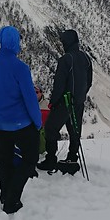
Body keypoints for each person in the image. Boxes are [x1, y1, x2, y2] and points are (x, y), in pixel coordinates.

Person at [0, 26, 43, 214]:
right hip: (23, 124)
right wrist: (38, 122)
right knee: (30, 160)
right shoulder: (20, 68)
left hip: (1, 124)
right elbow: (30, 99)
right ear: (16, 42)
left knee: (5, 161)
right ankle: (12, 199)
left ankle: (4, 195)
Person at [39, 29, 93, 171]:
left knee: (51, 128)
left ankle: (51, 159)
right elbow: (89, 81)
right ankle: (72, 157)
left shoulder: (66, 59)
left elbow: (59, 83)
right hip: (79, 101)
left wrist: (54, 102)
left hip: (65, 101)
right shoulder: (86, 58)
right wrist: (81, 95)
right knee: (75, 130)